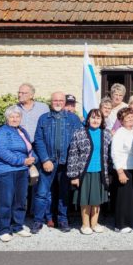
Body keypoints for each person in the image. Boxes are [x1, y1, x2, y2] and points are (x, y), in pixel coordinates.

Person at [31, 92, 83, 234]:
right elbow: (39, 140)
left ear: (65, 102)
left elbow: (80, 139)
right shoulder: (44, 119)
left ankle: (63, 220)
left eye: (61, 100)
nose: (58, 102)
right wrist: (45, 159)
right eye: (55, 100)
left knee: (64, 193)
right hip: (49, 162)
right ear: (51, 102)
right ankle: (38, 221)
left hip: (67, 162)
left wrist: (75, 162)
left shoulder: (73, 119)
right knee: (42, 193)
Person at [0, 106, 36, 242]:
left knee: (20, 200)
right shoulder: (1, 132)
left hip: (22, 171)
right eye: (12, 116)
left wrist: (33, 158)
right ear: (7, 118)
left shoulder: (22, 131)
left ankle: (18, 226)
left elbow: (29, 149)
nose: (15, 119)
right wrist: (22, 161)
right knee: (6, 201)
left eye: (17, 116)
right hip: (6, 171)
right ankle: (4, 229)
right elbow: (2, 152)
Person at [67, 108, 112, 235]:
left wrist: (110, 173)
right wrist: (74, 175)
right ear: (88, 119)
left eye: (98, 118)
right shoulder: (79, 133)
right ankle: (85, 224)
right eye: (93, 117)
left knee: (97, 200)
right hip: (84, 173)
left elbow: (110, 155)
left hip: (100, 172)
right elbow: (73, 155)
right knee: (85, 200)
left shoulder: (106, 134)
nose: (95, 120)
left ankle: (95, 223)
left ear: (102, 120)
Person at [111, 107, 133, 233]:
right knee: (124, 198)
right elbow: (115, 153)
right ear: (121, 121)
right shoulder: (120, 132)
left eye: (131, 116)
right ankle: (121, 224)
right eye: (126, 117)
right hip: (124, 168)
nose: (130, 118)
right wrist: (120, 171)